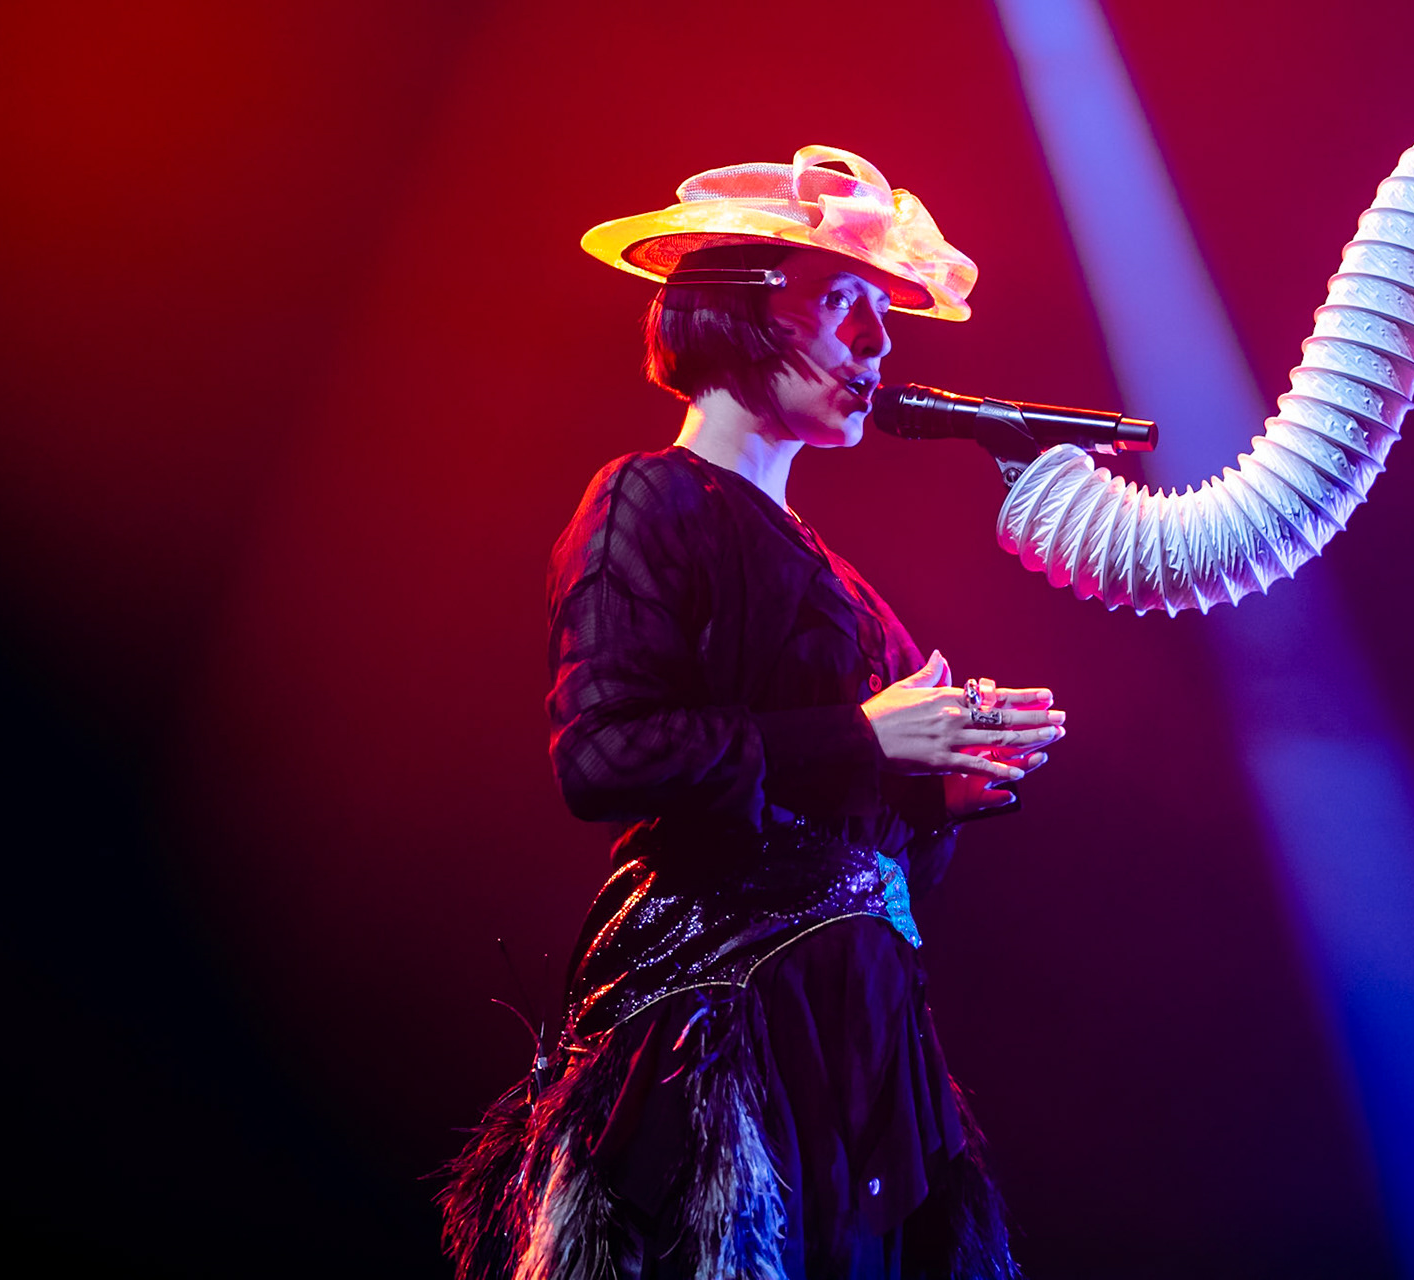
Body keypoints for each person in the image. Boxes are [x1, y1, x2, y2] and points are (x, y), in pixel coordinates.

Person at [439, 146, 1064, 1280]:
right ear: (736, 308)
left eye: (883, 313)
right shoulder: (647, 497)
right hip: (716, 1023)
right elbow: (603, 754)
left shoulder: (850, 587)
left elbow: (861, 845)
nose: (877, 344)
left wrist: (939, 794)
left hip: (857, 1035)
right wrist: (864, 737)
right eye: (842, 302)